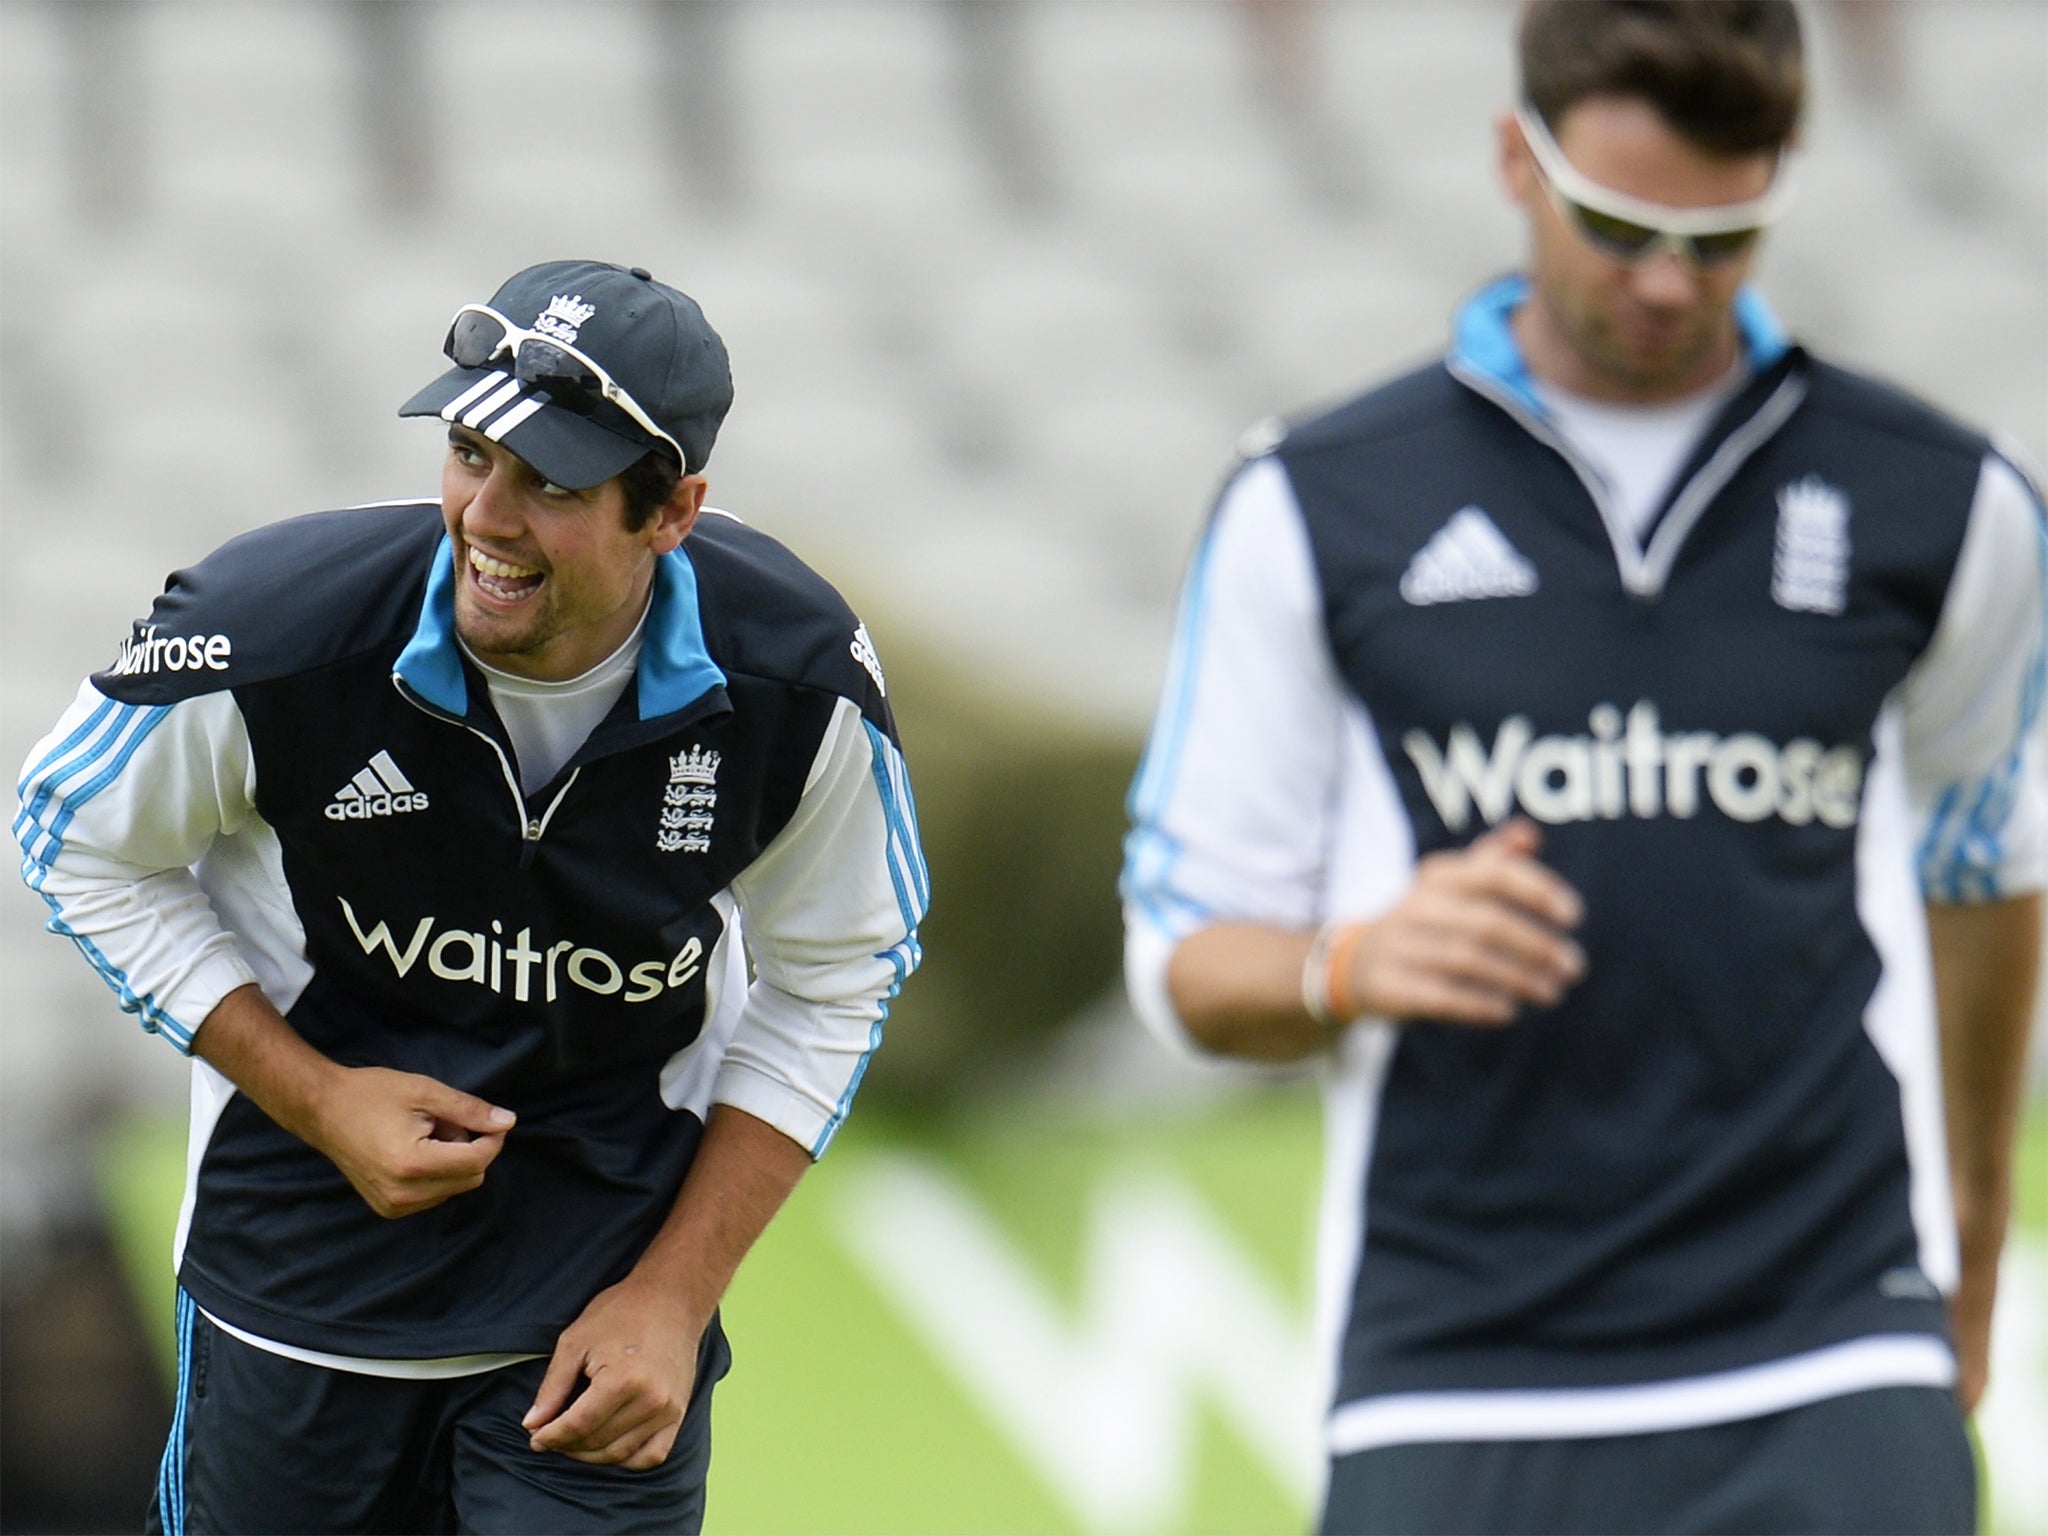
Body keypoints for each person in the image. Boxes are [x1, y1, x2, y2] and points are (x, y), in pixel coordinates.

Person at [1120, 3, 2043, 1531]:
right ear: (1515, 160)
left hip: (1829, 1342)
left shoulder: (1947, 504)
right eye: (1619, 225)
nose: (1669, 281)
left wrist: (1975, 1253)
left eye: (1725, 234)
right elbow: (1183, 964)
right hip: (1458, 1359)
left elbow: (1984, 873)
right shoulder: (1316, 501)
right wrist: (1350, 961)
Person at [16, 258, 928, 1534]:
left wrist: (673, 1296)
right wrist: (317, 1097)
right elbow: (70, 834)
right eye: (467, 453)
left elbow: (842, 972)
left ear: (669, 512)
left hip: (589, 1342)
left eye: (550, 483)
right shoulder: (278, 630)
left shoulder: (794, 684)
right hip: (292, 1305)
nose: (485, 516)